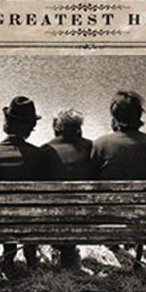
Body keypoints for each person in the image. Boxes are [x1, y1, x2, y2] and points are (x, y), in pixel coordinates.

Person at [91, 91, 146, 261]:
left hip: (109, 214)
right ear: (139, 115)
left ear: (114, 116)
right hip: (143, 214)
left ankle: (113, 242)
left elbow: (93, 178)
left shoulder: (101, 144)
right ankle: (136, 248)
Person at [0, 95, 46, 268]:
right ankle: (30, 254)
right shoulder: (40, 156)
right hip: (31, 221)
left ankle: (8, 254)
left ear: (6, 123)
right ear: (31, 127)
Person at [42, 108, 94, 267]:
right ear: (79, 129)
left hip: (53, 216)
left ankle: (61, 250)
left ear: (56, 128)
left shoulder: (45, 150)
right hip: (86, 215)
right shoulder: (91, 147)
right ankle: (69, 252)